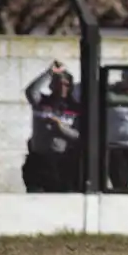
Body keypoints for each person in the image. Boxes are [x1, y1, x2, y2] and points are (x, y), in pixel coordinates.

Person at [22, 61, 82, 192]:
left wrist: (61, 129)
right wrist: (50, 72)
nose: (62, 88)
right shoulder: (42, 102)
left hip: (62, 161)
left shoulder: (75, 108)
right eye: (58, 84)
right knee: (36, 194)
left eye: (66, 85)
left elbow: (79, 136)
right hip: (39, 158)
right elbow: (31, 91)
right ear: (51, 86)